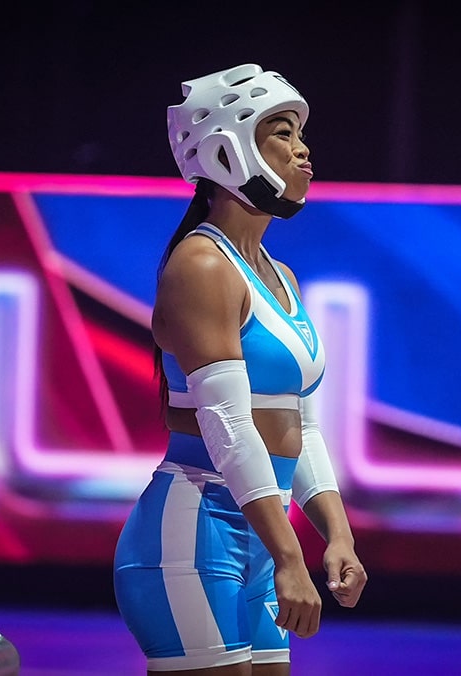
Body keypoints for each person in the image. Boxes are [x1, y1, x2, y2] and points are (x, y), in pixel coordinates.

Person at [113, 63, 368, 675]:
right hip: (193, 535)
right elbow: (227, 424)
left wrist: (337, 533)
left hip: (261, 534)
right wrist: (290, 555)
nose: (303, 150)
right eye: (282, 133)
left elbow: (299, 425)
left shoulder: (281, 276)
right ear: (227, 150)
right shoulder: (202, 265)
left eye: (301, 135)